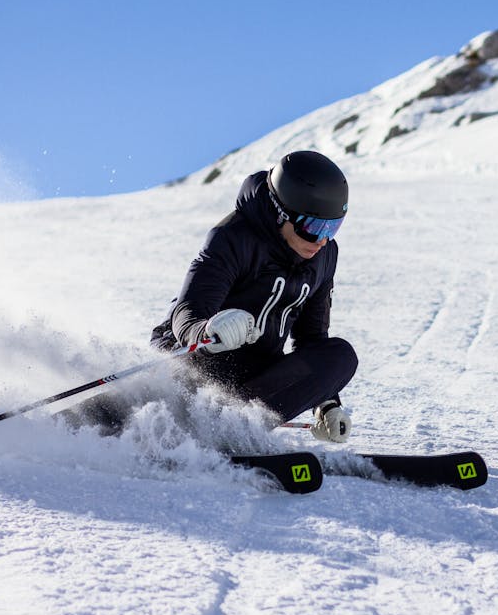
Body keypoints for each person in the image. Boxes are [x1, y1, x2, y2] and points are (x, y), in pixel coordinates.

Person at [149, 150, 357, 442]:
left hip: (254, 378)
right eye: (313, 228)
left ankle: (232, 428)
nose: (321, 241)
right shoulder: (233, 238)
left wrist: (325, 402)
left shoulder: (324, 256)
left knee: (340, 357)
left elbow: (312, 340)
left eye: (332, 227)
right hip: (196, 364)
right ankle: (199, 425)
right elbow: (187, 313)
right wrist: (208, 331)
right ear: (280, 213)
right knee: (127, 405)